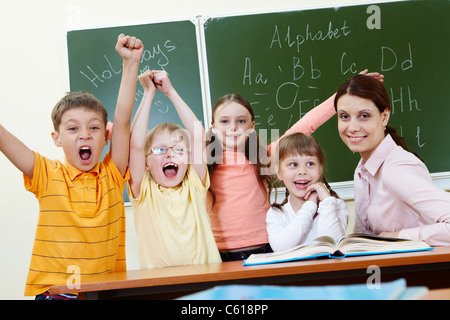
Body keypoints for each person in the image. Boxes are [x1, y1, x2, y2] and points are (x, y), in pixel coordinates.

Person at [0, 34, 142, 299]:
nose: (85, 135)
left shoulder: (112, 174)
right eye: (73, 128)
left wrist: (131, 63)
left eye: (94, 128)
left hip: (106, 292)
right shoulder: (47, 174)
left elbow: (122, 120)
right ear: (57, 138)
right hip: (57, 294)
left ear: (106, 137)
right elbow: (6, 143)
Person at [205, 70, 383, 261]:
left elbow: (305, 126)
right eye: (224, 121)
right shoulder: (205, 164)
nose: (233, 127)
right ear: (213, 126)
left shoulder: (264, 158)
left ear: (252, 126)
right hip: (221, 254)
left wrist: (342, 96)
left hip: (265, 250)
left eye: (241, 121)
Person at [334, 74, 450, 246]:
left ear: (384, 117)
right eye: (344, 116)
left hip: (416, 270)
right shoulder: (362, 171)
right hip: (380, 271)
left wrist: (398, 236)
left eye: (364, 115)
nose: (352, 127)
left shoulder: (396, 169)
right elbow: (364, 239)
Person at [127, 69, 221, 268]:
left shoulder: (194, 184)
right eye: (160, 149)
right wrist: (148, 94)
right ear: (146, 163)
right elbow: (134, 145)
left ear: (188, 158)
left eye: (179, 149)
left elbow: (198, 135)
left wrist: (170, 91)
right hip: (159, 286)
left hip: (206, 281)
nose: (170, 154)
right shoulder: (143, 192)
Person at [266, 133, 348, 251]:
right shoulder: (276, 214)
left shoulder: (334, 206)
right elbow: (281, 248)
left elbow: (332, 245)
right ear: (279, 173)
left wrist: (326, 200)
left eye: (310, 164)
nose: (302, 171)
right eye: (293, 164)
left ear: (320, 169)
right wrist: (310, 205)